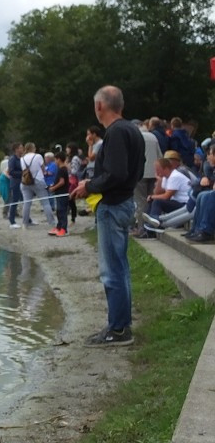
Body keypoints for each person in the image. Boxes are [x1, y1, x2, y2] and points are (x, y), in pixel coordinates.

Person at [71, 85, 145, 346]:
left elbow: (116, 173)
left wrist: (88, 186)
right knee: (120, 267)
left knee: (112, 270)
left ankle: (118, 330)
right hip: (123, 203)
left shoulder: (115, 133)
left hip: (113, 206)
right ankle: (121, 325)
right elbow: (133, 171)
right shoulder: (133, 130)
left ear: (99, 106)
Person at [20, 143, 56, 226]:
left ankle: (25, 223)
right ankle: (52, 222)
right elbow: (43, 168)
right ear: (33, 148)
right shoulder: (38, 156)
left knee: (27, 203)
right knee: (45, 202)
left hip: (26, 182)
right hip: (38, 180)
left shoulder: (22, 158)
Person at [7, 143, 24, 228]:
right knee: (15, 201)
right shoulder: (13, 159)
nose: (22, 149)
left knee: (25, 200)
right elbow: (11, 171)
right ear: (16, 149)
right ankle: (12, 221)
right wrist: (23, 173)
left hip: (22, 182)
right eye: (21, 148)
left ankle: (28, 219)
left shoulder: (21, 158)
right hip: (15, 183)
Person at [0, 153, 11, 217]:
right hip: (5, 180)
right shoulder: (10, 163)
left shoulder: (2, 162)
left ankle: (12, 211)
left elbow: (1, 171)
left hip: (3, 178)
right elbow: (6, 172)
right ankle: (5, 212)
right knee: (8, 197)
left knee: (10, 196)